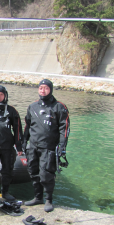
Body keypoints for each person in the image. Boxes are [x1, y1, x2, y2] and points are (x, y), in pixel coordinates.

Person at [22, 79, 70, 212]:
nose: (43, 90)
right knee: (33, 172)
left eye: (46, 88)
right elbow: (27, 126)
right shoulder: (33, 106)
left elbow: (64, 128)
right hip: (33, 146)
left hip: (48, 147)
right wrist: (24, 141)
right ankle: (38, 197)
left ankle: (48, 199)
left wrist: (62, 146)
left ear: (51, 89)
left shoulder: (59, 107)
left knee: (46, 174)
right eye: (41, 88)